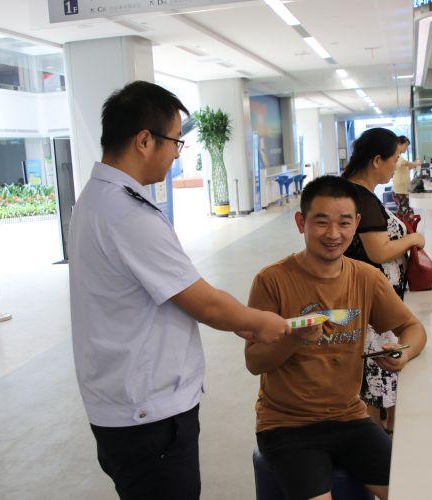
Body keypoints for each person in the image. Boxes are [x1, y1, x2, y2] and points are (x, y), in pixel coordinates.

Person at [68, 81, 291, 500]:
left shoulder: (95, 199)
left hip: (121, 405)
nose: (176, 153)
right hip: (148, 416)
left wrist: (243, 322)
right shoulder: (127, 214)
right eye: (174, 141)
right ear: (144, 141)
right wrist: (261, 322)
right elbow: (203, 302)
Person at [245, 175, 427, 500]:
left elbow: (413, 328)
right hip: (287, 426)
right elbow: (254, 361)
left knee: (413, 490)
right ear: (301, 222)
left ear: (356, 223)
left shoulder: (366, 278)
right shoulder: (272, 281)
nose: (333, 234)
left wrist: (404, 352)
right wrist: (293, 338)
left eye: (344, 223)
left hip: (350, 418)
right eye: (321, 222)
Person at [341, 127, 426, 434]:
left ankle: (382, 433)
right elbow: (378, 251)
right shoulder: (361, 197)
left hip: (367, 298)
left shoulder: (352, 191)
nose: (396, 166)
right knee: (375, 380)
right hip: (371, 304)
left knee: (374, 382)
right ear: (377, 160)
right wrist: (413, 238)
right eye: (395, 159)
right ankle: (380, 443)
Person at [391, 135, 420, 218]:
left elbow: (406, 167)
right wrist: (416, 163)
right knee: (405, 213)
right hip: (400, 191)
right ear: (399, 144)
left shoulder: (399, 157)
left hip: (402, 190)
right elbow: (405, 163)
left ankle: (405, 225)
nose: (406, 148)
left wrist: (414, 164)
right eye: (406, 145)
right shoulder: (396, 156)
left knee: (405, 212)